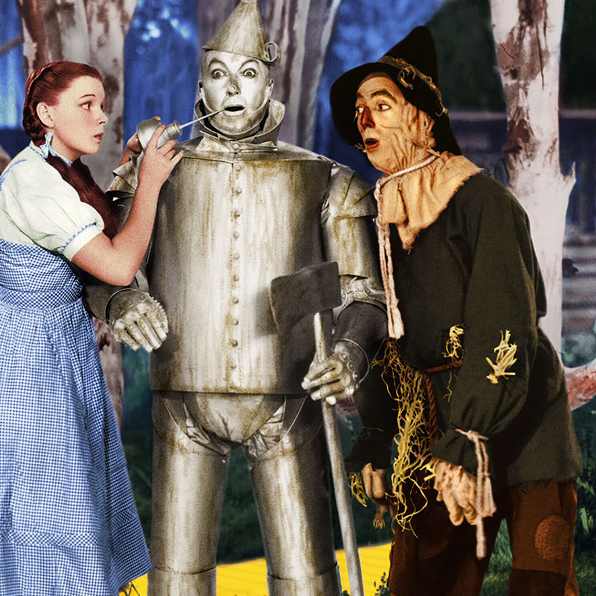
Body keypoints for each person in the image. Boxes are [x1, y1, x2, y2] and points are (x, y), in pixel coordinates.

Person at [83, 2, 387, 594]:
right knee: (176, 581)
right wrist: (121, 302)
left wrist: (348, 353)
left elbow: (366, 295)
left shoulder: (329, 181)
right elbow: (99, 260)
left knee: (306, 579)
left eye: (248, 74)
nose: (232, 89)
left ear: (269, 84)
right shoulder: (155, 171)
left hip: (289, 398)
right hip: (183, 399)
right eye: (218, 74)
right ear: (201, 86)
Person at [328, 27, 583, 596]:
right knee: (421, 580)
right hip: (435, 422)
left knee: (540, 581)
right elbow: (385, 336)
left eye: (382, 105)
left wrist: (468, 437)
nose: (365, 119)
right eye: (359, 110)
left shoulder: (482, 204)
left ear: (423, 120)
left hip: (519, 415)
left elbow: (505, 327)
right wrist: (376, 433)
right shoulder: (383, 220)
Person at [0, 60, 182, 596]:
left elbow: (102, 229)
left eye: (102, 105)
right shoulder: (33, 183)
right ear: (47, 114)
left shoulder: (60, 172)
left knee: (69, 497)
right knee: (42, 501)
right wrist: (151, 184)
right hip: (27, 361)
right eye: (85, 105)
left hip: (57, 349)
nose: (101, 117)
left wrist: (130, 169)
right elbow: (117, 265)